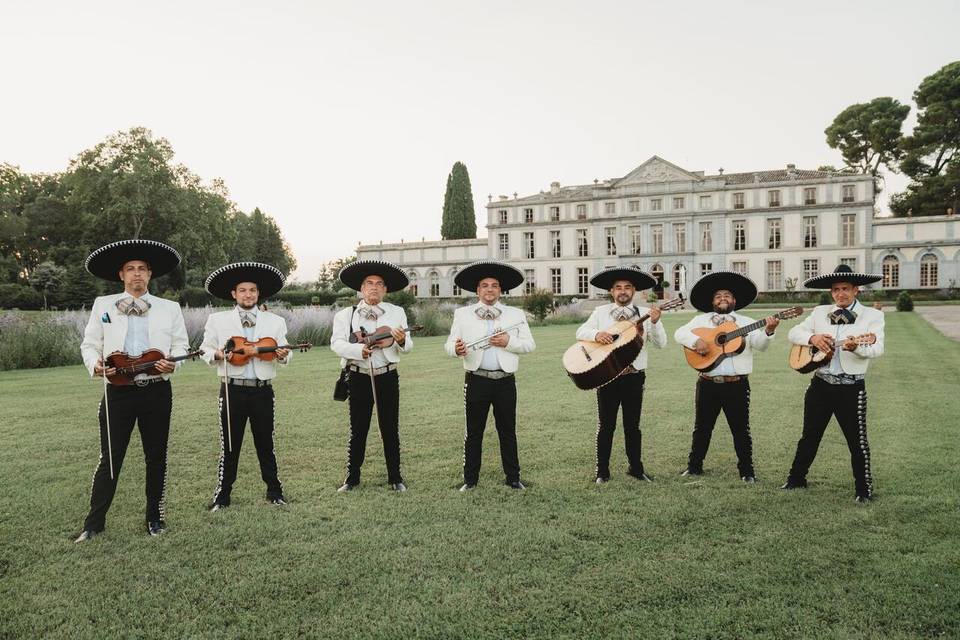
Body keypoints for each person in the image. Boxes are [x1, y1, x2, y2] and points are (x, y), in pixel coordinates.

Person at [75, 240, 189, 542]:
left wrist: (173, 365)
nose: (136, 274)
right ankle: (93, 524)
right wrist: (95, 364)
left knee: (156, 456)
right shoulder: (104, 306)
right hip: (118, 392)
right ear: (122, 275)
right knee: (110, 458)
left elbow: (181, 346)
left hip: (156, 391)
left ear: (150, 274)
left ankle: (155, 518)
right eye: (130, 270)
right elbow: (89, 344)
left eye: (142, 269)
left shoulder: (170, 308)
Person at [781, 264, 884, 503]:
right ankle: (796, 479)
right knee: (809, 435)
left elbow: (877, 347)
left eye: (845, 289)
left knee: (857, 441)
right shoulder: (819, 313)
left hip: (851, 387)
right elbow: (793, 333)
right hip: (820, 385)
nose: (840, 294)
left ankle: (864, 489)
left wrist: (857, 346)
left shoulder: (873, 316)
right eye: (836, 290)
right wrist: (812, 337)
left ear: (856, 290)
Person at [201, 262, 291, 511]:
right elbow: (205, 350)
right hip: (232, 389)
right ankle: (222, 495)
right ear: (234, 294)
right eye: (242, 290)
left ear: (258, 293)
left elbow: (284, 351)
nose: (248, 294)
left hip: (263, 388)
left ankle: (274, 491)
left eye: (252, 290)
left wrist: (283, 354)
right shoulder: (217, 320)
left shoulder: (275, 321)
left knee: (266, 443)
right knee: (230, 444)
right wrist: (219, 355)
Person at [673, 271, 779, 483]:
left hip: (736, 385)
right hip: (707, 383)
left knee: (741, 429)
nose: (723, 298)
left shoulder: (747, 322)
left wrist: (768, 331)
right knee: (702, 428)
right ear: (712, 301)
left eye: (727, 295)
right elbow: (679, 333)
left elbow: (761, 345)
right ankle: (694, 467)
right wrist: (696, 342)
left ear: (734, 300)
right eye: (718, 296)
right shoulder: (700, 319)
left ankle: (747, 471)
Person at [445, 260, 536, 491]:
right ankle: (470, 480)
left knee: (508, 431)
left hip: (505, 381)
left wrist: (509, 342)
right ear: (477, 290)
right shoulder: (463, 314)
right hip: (476, 380)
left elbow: (529, 345)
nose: (489, 289)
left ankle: (513, 478)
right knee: (473, 432)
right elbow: (449, 345)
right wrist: (456, 349)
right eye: (484, 285)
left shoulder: (515, 314)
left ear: (500, 290)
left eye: (494, 285)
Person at [575, 267, 666, 483]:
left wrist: (653, 323)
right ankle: (602, 472)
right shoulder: (601, 312)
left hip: (635, 377)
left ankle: (636, 468)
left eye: (627, 287)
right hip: (608, 377)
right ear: (611, 291)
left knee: (633, 426)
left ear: (634, 290)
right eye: (618, 288)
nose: (622, 291)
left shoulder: (646, 312)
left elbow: (661, 344)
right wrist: (598, 334)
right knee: (606, 425)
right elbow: (580, 333)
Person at [330, 260, 412, 492]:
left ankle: (395, 478)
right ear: (361, 289)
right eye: (369, 283)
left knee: (390, 427)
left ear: (385, 289)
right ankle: (352, 478)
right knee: (358, 429)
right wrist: (358, 350)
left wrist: (402, 339)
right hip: (358, 376)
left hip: (387, 376)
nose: (374, 287)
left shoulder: (397, 312)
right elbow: (336, 344)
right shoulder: (346, 315)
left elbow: (408, 346)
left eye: (379, 284)